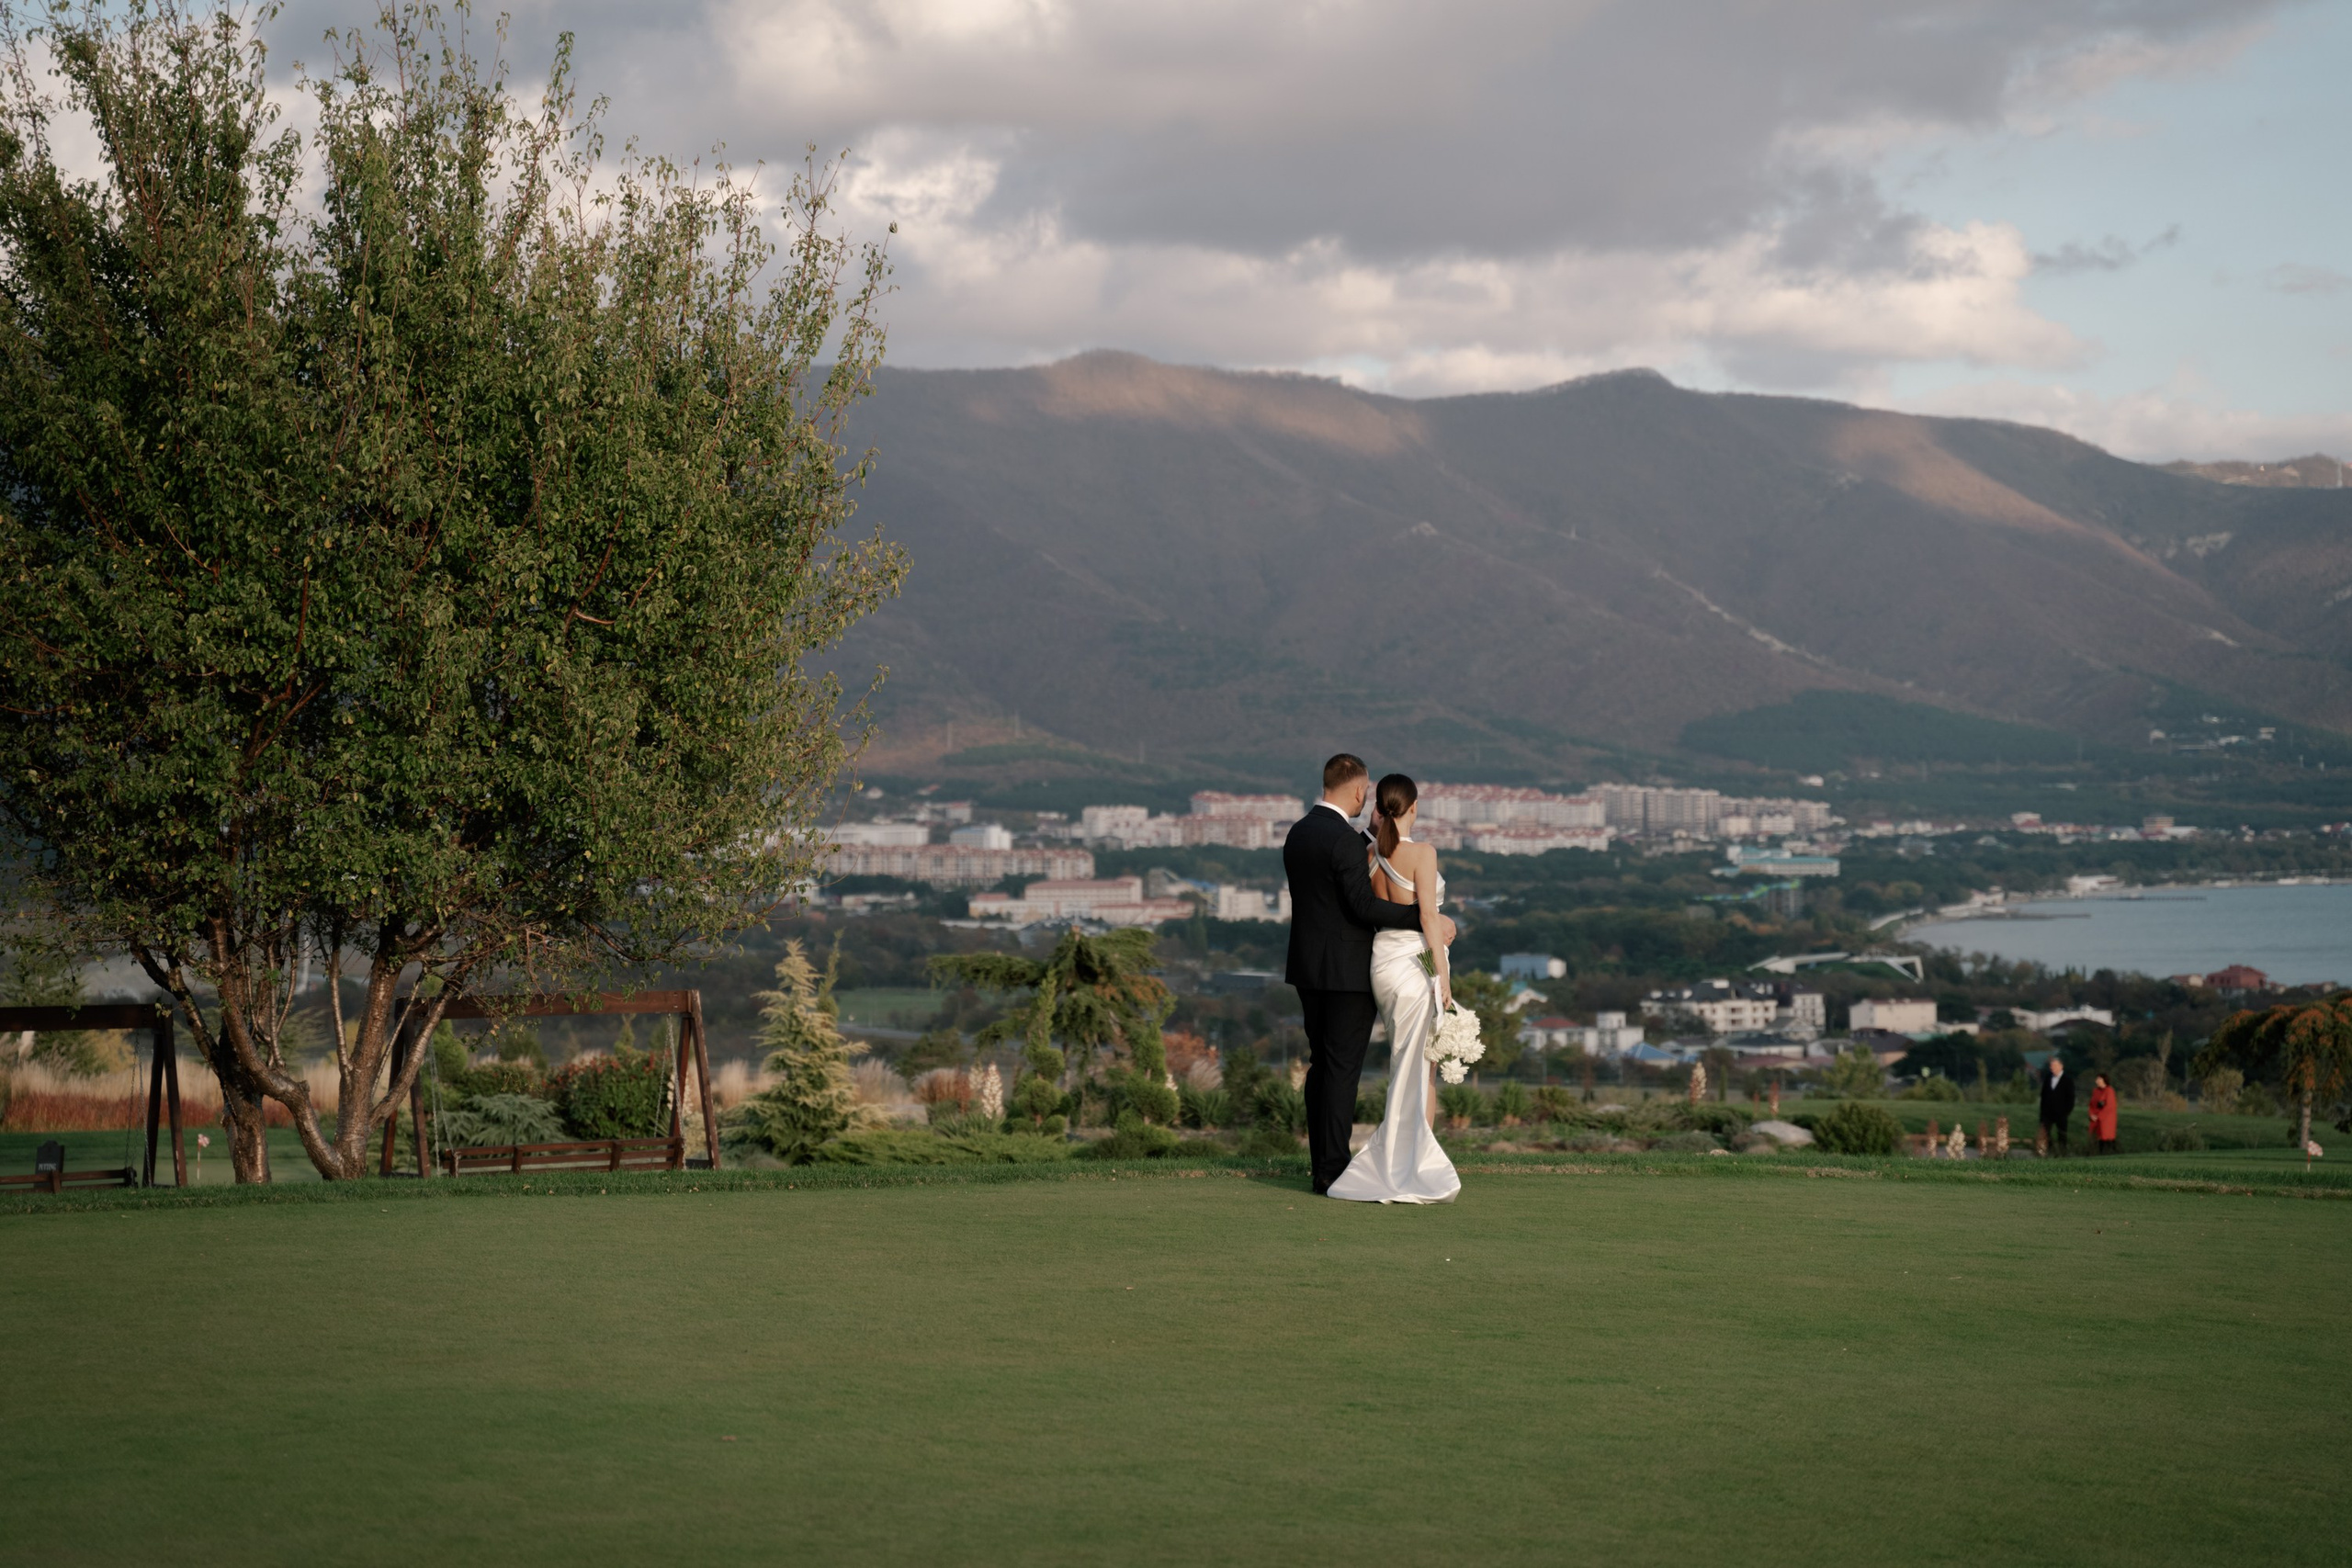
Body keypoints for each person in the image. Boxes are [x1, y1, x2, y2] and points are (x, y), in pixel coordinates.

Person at [1283, 753, 1454, 1196]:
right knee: (1342, 1070)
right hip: (1347, 971)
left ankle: (1321, 1164)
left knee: (1320, 1066)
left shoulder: (1298, 833)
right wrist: (1422, 916)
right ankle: (1334, 1170)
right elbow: (1361, 907)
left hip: (1306, 967)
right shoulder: (1344, 840)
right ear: (1359, 791)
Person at [1329, 773, 1462, 1204]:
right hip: (1414, 965)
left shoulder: (1368, 854)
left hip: (1382, 964)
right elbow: (1426, 918)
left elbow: (1369, 911)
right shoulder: (1422, 852)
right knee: (1415, 1066)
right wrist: (1443, 976)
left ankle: (1414, 1160)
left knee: (1411, 1063)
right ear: (1413, 807)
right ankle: (1405, 1168)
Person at [2039, 1056, 2076, 1156]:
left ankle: (2062, 1153)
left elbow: (2071, 1098)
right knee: (2046, 1133)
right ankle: (2050, 1151)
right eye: (2051, 1066)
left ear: (2061, 1066)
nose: (2052, 1068)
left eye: (2054, 1066)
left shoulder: (2067, 1080)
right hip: (2047, 1113)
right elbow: (2043, 1095)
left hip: (2061, 1113)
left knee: (2062, 1134)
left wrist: (2066, 1111)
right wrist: (2042, 1112)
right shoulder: (2048, 1078)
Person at [2087, 1071, 2119, 1155]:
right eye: (2096, 1079)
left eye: (2099, 1079)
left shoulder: (2109, 1091)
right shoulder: (2095, 1091)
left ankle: (2112, 1153)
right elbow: (2091, 1104)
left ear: (2104, 1080)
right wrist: (2091, 1115)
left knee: (2107, 1137)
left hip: (2106, 1119)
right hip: (2095, 1119)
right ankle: (2099, 1153)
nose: (2096, 1081)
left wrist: (2098, 1116)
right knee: (2097, 1138)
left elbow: (2110, 1106)